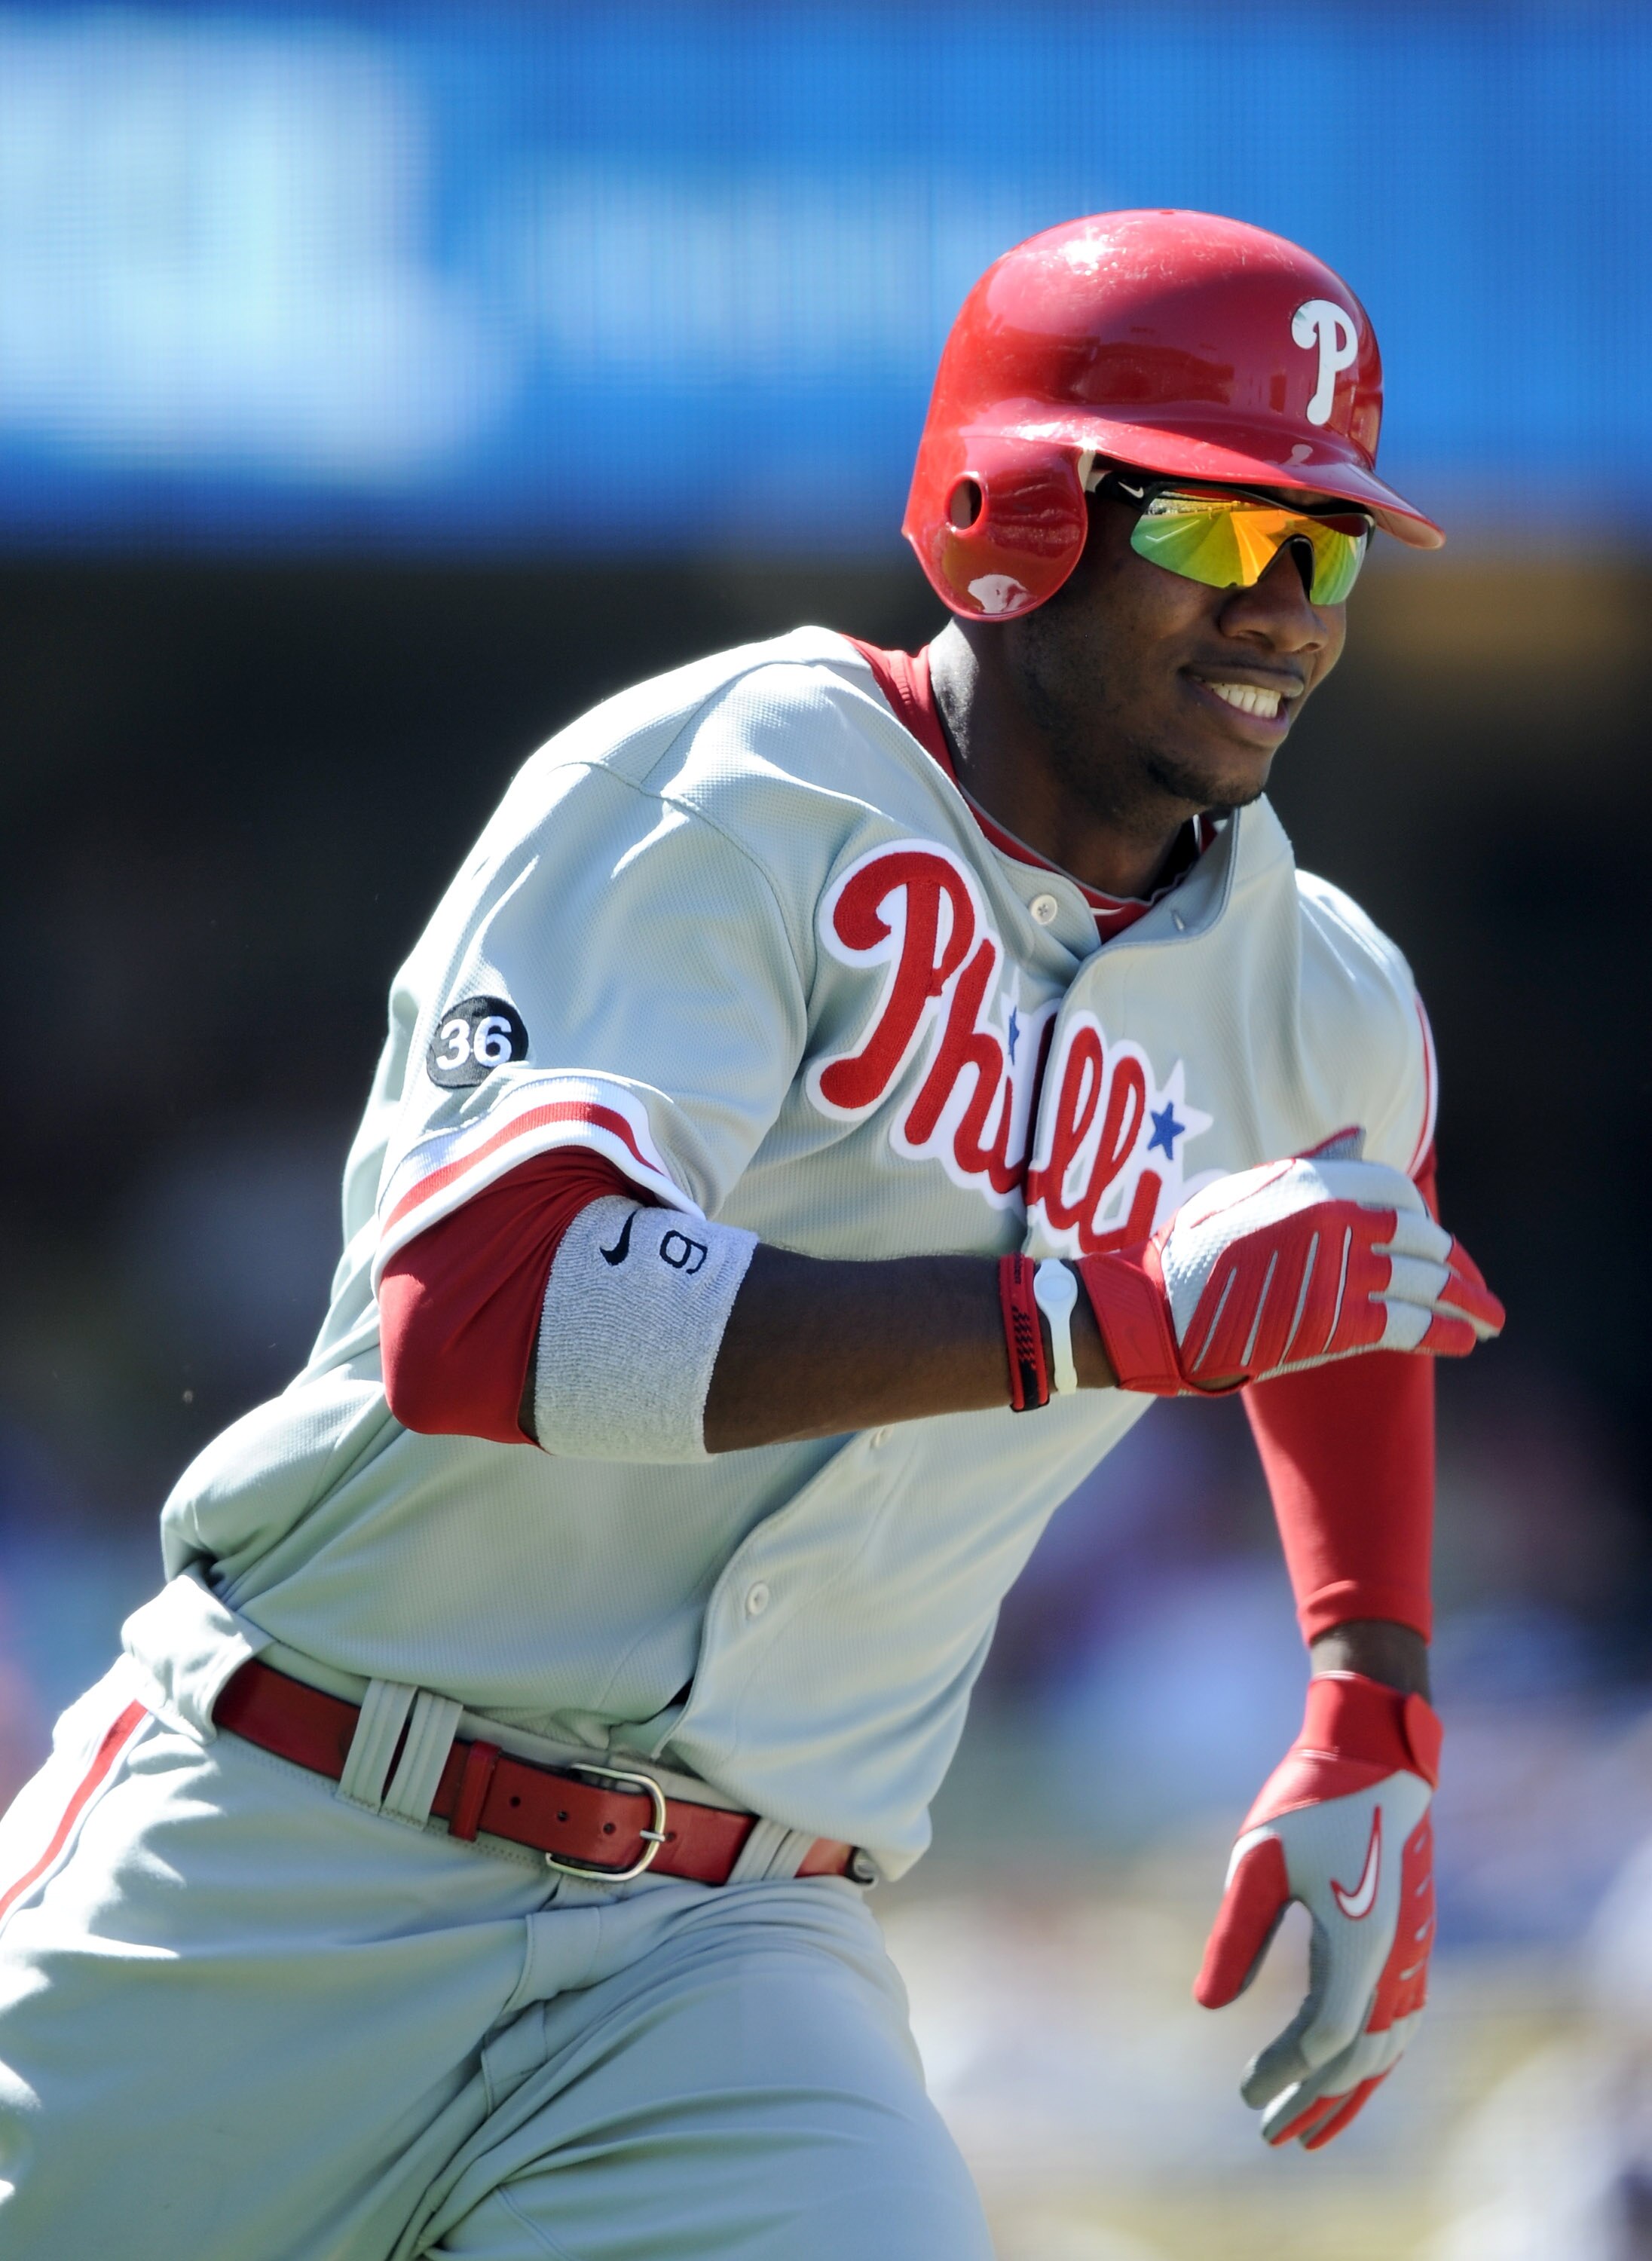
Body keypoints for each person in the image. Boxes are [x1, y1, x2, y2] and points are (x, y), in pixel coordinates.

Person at [0, 209, 1501, 2259]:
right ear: (1012, 514)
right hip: (292, 1838)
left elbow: (1358, 1275)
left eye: (1327, 552)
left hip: (727, 1964)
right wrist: (1093, 1317)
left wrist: (1370, 1704)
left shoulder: (1324, 998)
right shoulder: (737, 783)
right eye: (1225, 530)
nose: (1287, 615)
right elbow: (491, 1313)